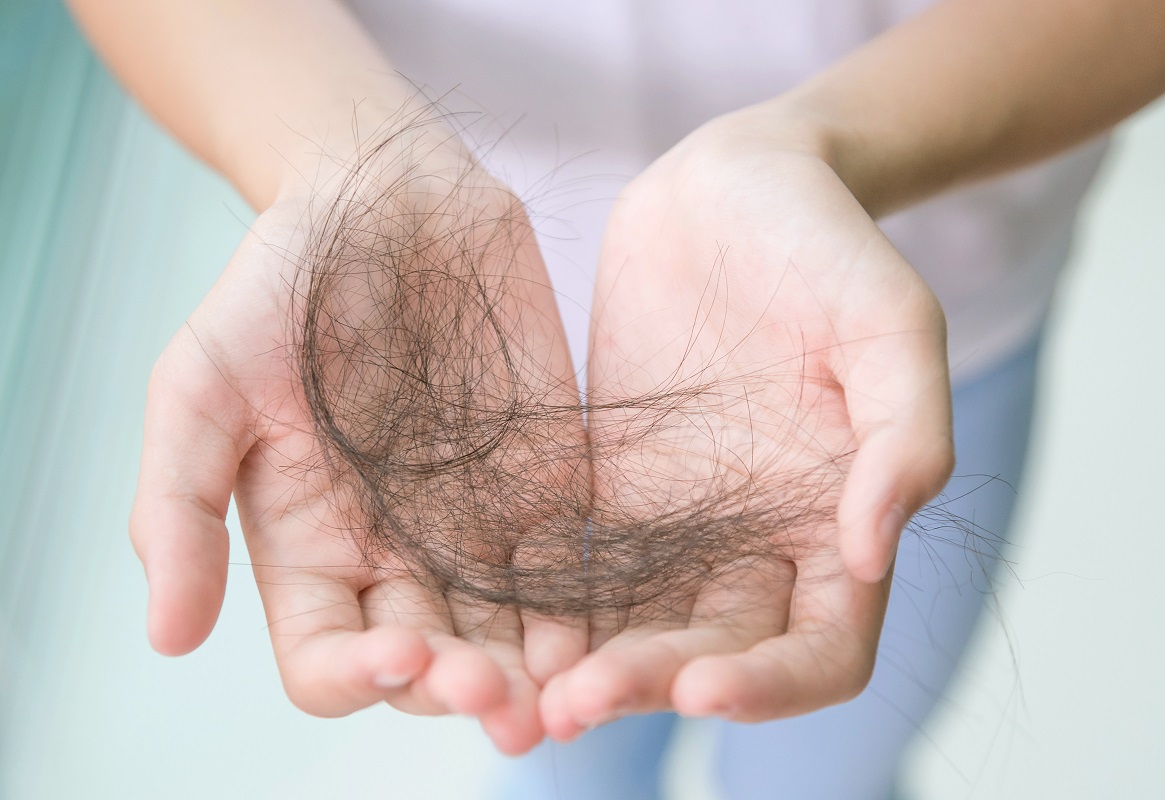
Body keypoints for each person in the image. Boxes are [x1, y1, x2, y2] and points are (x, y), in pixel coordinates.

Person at [66, 0, 1165, 797]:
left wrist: (820, 147)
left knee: (827, 760)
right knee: (554, 737)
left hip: (878, 349)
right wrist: (341, 164)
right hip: (463, 352)